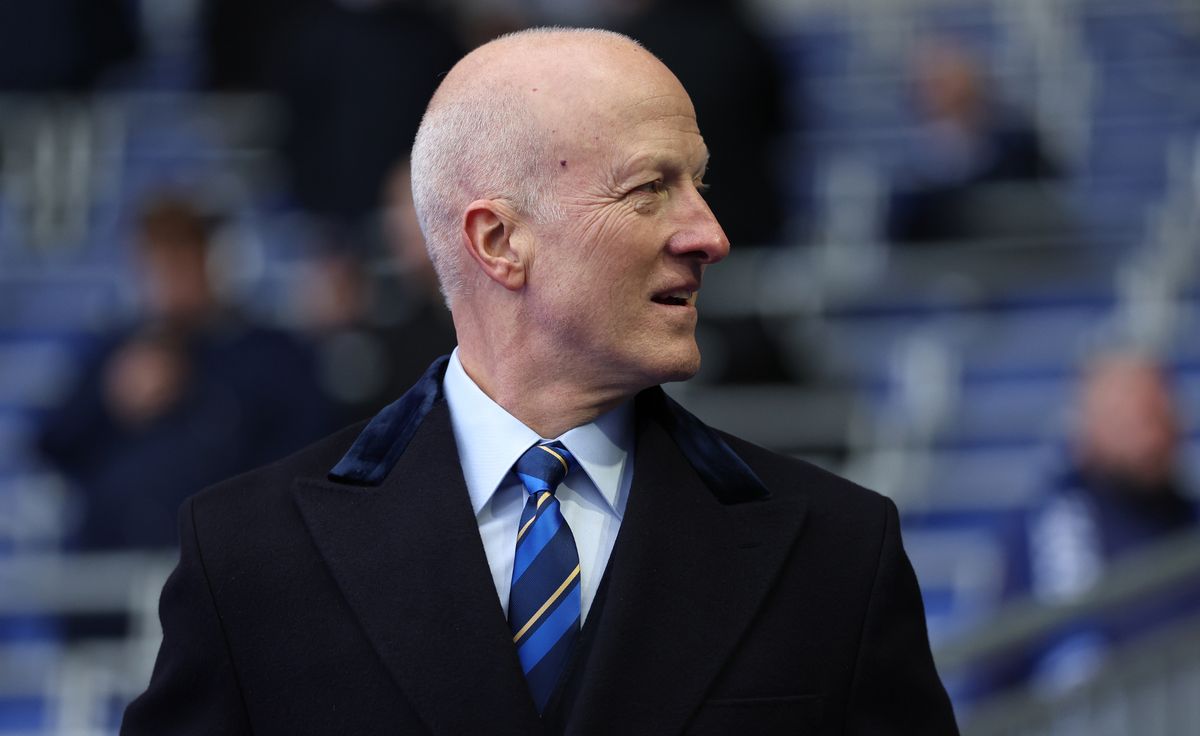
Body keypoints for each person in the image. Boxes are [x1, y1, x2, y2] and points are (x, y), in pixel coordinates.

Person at [122, 28, 958, 734]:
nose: (708, 233)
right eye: (650, 189)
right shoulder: (248, 558)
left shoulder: (838, 553)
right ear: (499, 243)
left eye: (698, 186)